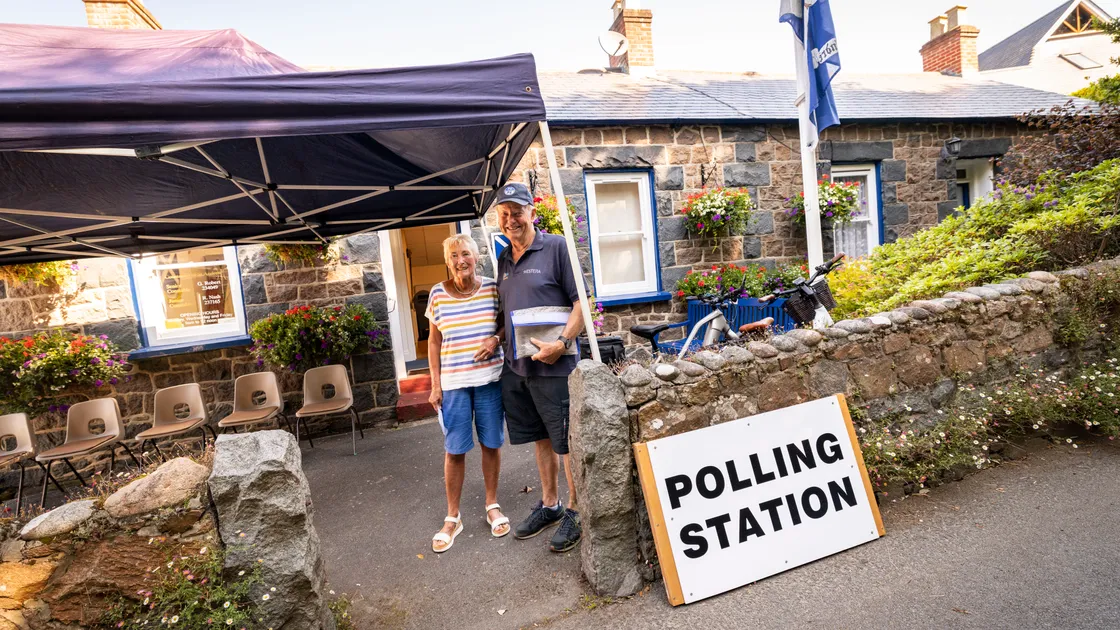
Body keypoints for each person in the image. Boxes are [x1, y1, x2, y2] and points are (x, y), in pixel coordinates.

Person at [493, 182, 586, 553]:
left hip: (556, 367)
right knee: (541, 438)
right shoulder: (503, 259)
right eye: (504, 214)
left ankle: (576, 510)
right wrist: (495, 338)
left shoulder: (557, 247)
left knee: (566, 443)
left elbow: (582, 304)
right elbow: (508, 313)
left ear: (532, 212)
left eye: (517, 212)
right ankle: (550, 504)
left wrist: (561, 344)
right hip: (519, 369)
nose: (511, 220)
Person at [426, 233, 508, 553]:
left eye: (466, 254)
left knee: (491, 444)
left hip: (489, 379)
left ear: (477, 257)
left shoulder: (492, 288)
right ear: (448, 262)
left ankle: (492, 505)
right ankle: (453, 517)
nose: (461, 261)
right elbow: (434, 341)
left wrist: (495, 339)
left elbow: (506, 324)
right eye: (454, 256)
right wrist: (435, 384)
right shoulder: (437, 294)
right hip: (453, 384)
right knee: (455, 449)